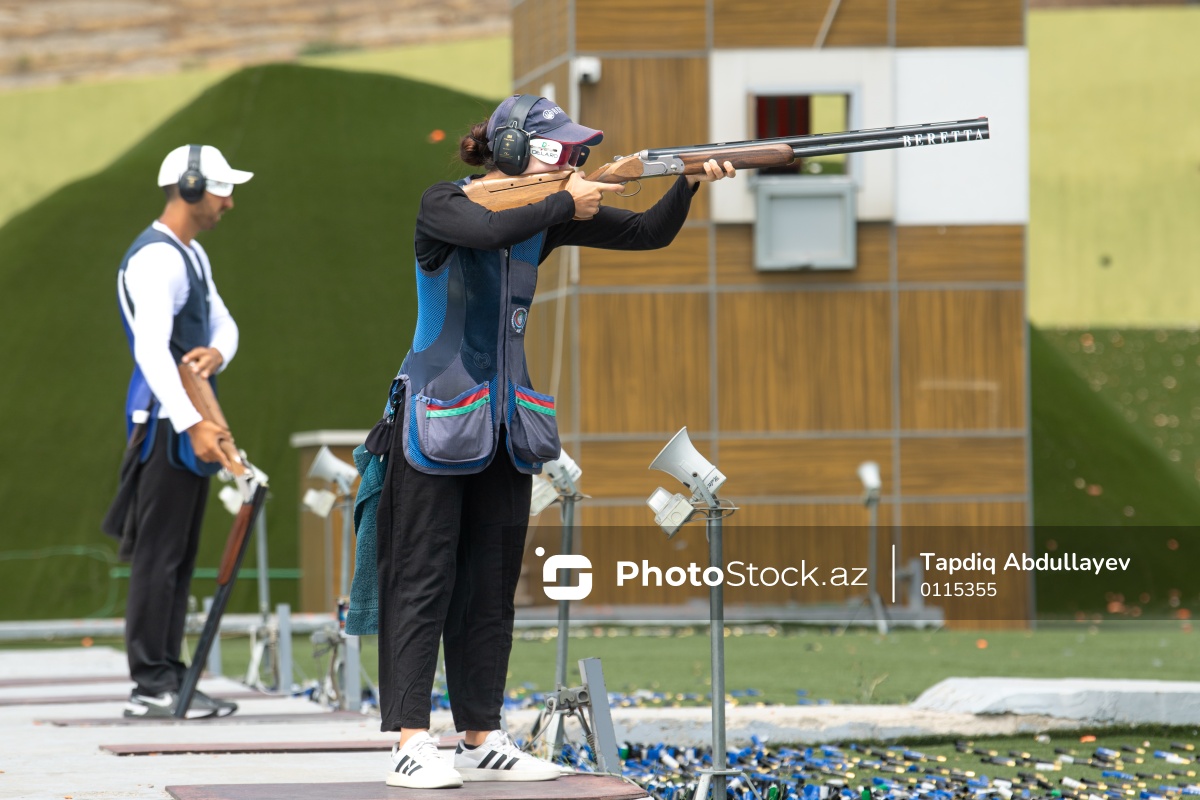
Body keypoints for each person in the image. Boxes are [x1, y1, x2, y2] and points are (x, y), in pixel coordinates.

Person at [368, 94, 735, 788]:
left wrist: (686, 182)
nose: (574, 160)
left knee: (490, 589)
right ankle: (411, 742)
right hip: (434, 420)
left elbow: (646, 234)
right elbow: (487, 229)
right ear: (513, 150)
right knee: (421, 580)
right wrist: (566, 201)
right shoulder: (444, 204)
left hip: (506, 426)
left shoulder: (547, 216)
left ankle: (480, 735)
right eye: (560, 150)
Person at [104, 144, 251, 719]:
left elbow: (223, 323)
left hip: (183, 420)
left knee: (180, 556)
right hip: (166, 422)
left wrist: (218, 352)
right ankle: (150, 685)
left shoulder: (190, 254)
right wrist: (193, 426)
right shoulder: (155, 260)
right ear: (191, 189)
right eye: (220, 191)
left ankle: (169, 674)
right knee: (159, 557)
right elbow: (150, 351)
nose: (228, 202)